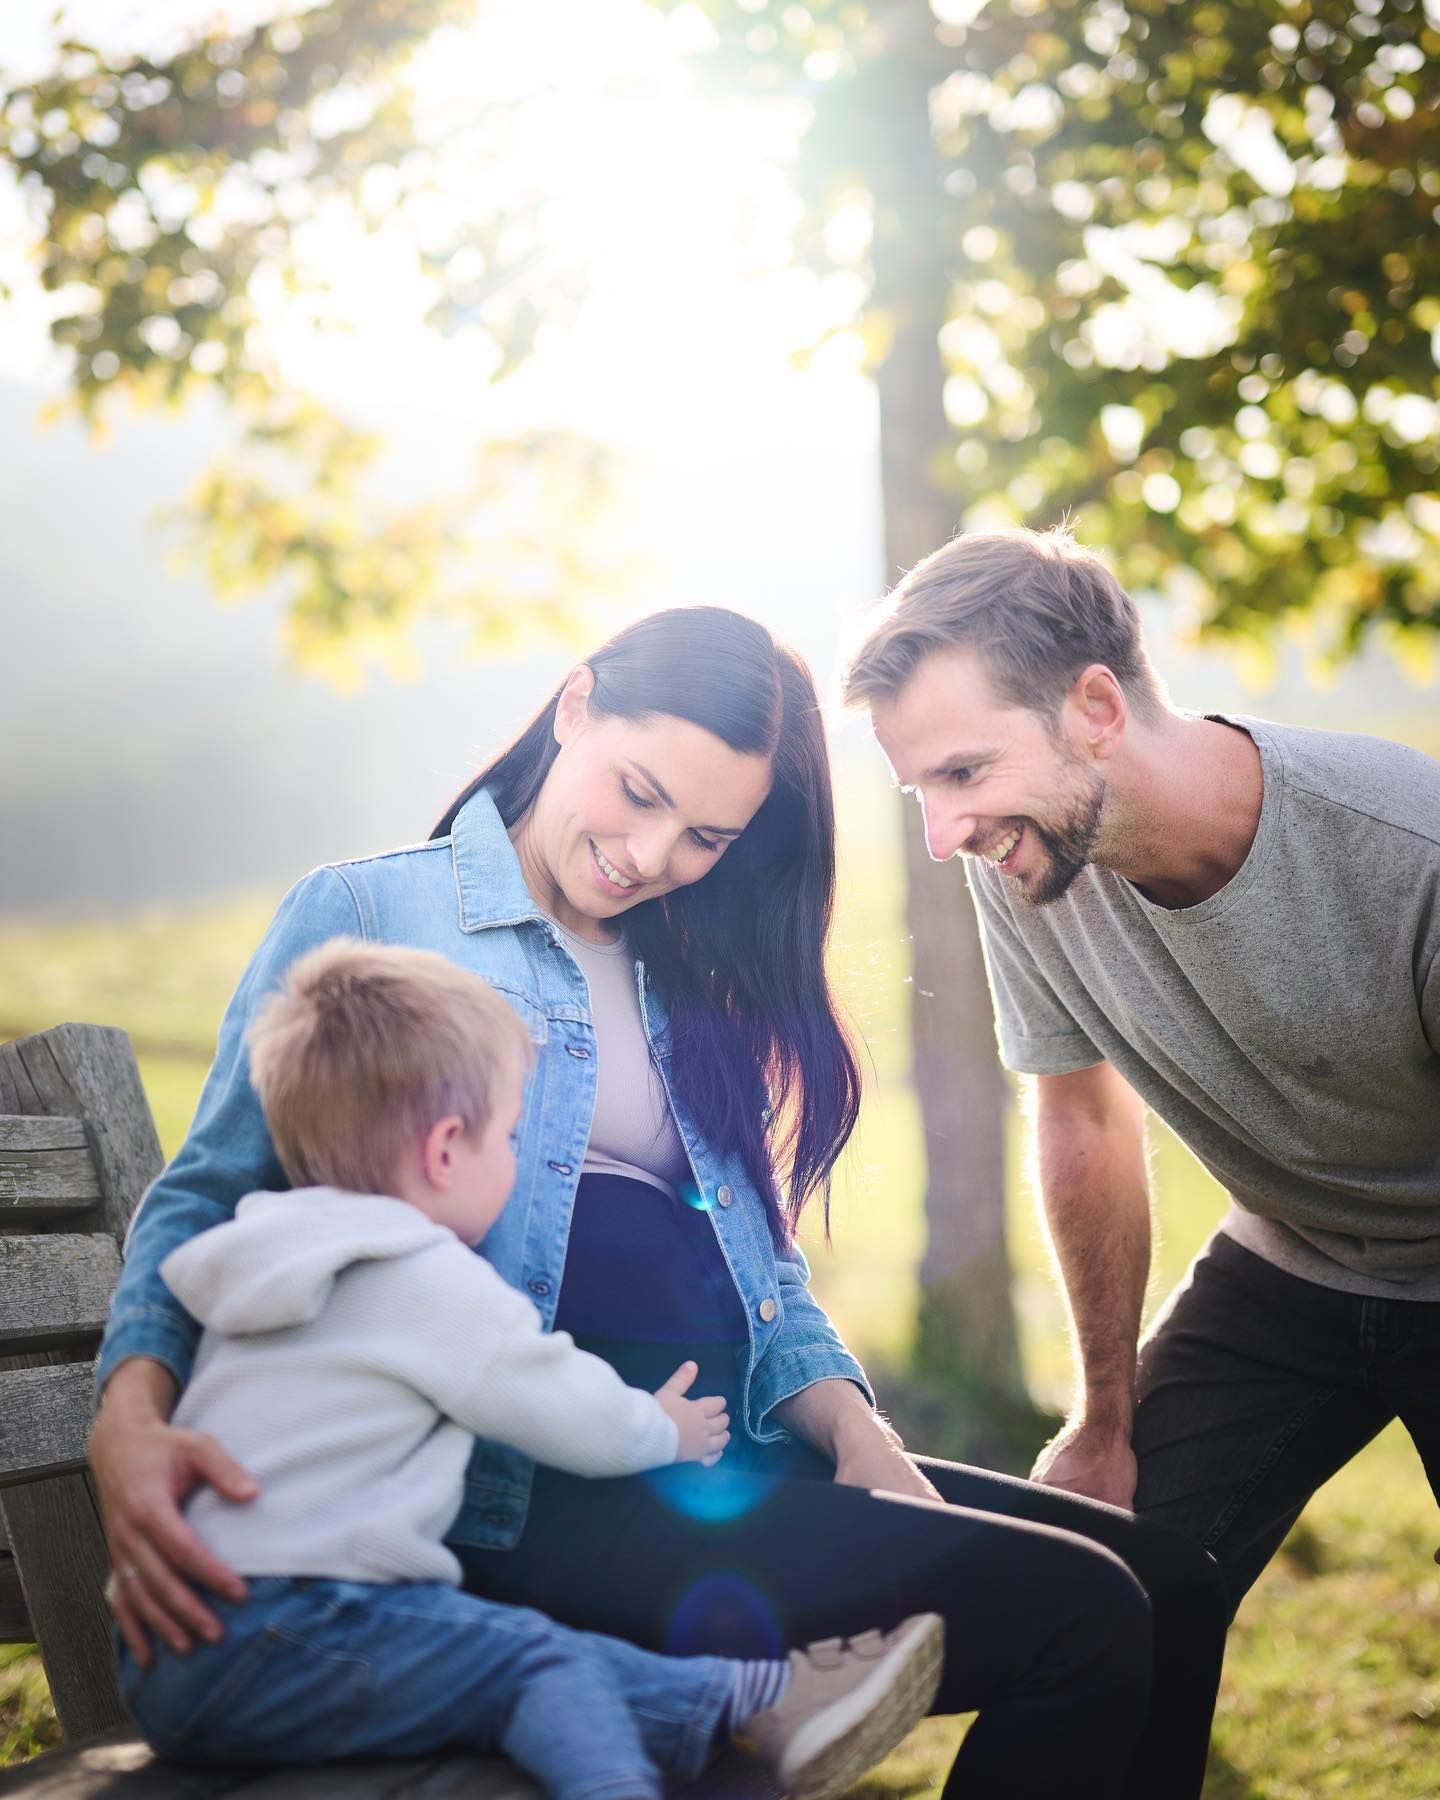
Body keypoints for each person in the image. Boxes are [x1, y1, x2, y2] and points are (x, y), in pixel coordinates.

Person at [91, 605, 1227, 1800]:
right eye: (637, 793)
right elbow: (209, 1193)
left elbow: (765, 1268)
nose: (647, 856)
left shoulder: (684, 968)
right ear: (575, 707)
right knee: (1086, 1619)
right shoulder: (374, 915)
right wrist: (128, 1413)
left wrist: (856, 1433)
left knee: (1174, 1583)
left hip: (726, 1457)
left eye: (704, 836)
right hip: (543, 1495)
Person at [116, 936, 944, 1800]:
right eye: (509, 1137)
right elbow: (552, 1400)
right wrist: (661, 1428)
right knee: (530, 1660)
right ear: (444, 1152)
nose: (516, 1166)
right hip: (307, 1625)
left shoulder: (263, 1258)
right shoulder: (416, 1276)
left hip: (174, 1651)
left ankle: (748, 1697)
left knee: (525, 1653)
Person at [844, 525, 1440, 1630]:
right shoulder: (1027, 863)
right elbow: (1082, 1118)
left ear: (1099, 710)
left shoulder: (1411, 852)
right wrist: (1104, 1417)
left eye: (964, 772)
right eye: (922, 789)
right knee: (1087, 1589)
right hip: (1291, 1256)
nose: (943, 833)